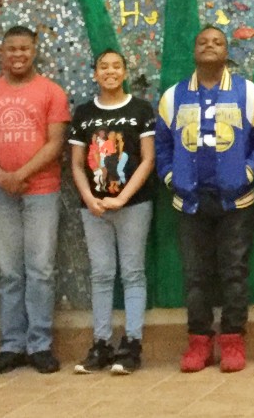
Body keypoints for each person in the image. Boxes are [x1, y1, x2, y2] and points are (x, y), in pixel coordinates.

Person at [153, 26, 254, 373]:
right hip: (189, 202)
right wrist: (170, 177)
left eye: (218, 42)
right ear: (193, 50)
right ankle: (198, 341)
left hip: (236, 203)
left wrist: (247, 174)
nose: (209, 46)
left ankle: (233, 340)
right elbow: (161, 145)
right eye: (202, 41)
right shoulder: (172, 97)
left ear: (227, 51)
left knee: (235, 272)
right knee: (195, 275)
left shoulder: (248, 94)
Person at [0, 26, 69, 375]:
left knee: (40, 270)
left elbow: (55, 143)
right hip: (1, 193)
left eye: (24, 49)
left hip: (42, 190)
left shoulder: (51, 92)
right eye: (11, 49)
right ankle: (11, 345)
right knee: (11, 272)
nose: (18, 55)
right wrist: (2, 177)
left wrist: (21, 173)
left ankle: (39, 344)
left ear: (34, 51)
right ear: (2, 52)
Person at [69, 49, 157, 374]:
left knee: (132, 273)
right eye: (103, 67)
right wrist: (89, 199)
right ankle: (101, 343)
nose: (110, 71)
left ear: (124, 72)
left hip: (133, 205)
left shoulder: (140, 110)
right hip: (93, 209)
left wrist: (122, 197)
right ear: (95, 74)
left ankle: (132, 343)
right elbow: (77, 165)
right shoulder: (83, 113)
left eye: (116, 66)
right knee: (102, 274)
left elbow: (147, 159)